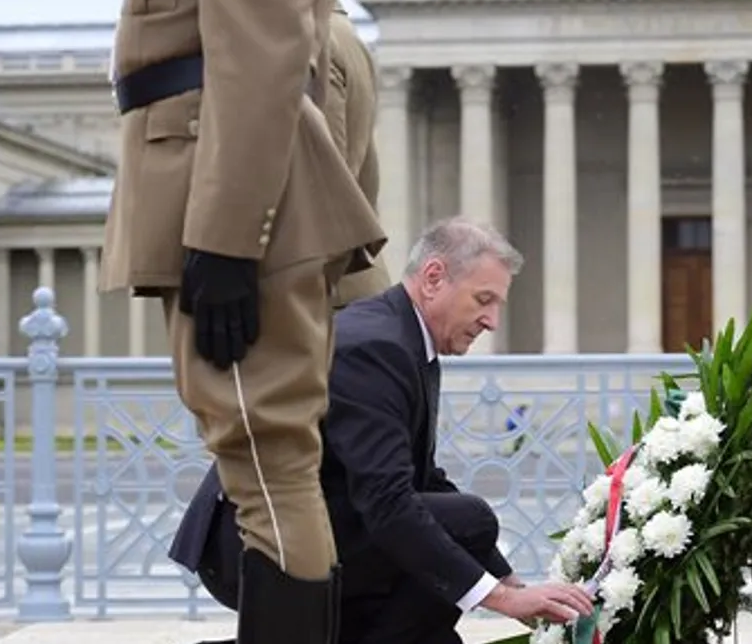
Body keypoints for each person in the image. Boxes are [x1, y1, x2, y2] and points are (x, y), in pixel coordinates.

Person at [98, 0, 386, 642]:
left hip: (230, 200)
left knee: (265, 462)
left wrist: (228, 238)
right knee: (270, 460)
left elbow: (261, 49)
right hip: (244, 192)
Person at [170, 218, 594, 643]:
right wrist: (501, 600)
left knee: (460, 539)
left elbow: (423, 481)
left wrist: (513, 587)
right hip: (255, 544)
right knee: (468, 520)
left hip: (326, 525)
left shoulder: (406, 338)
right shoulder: (377, 346)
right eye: (484, 300)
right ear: (433, 278)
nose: (492, 321)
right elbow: (387, 502)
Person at [323, 3, 392, 307]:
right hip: (352, 281)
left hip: (321, 289)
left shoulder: (305, 39)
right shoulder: (341, 33)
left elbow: (322, 190)